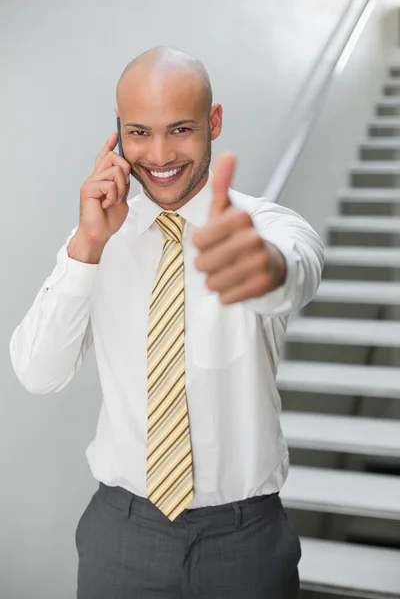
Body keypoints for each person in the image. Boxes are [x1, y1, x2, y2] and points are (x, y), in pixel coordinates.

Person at [10, 46, 324, 598]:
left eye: (180, 129)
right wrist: (86, 246)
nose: (159, 154)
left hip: (243, 540)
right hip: (122, 532)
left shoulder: (265, 227)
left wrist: (262, 269)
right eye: (139, 132)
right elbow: (37, 373)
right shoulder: (98, 238)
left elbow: (295, 270)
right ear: (117, 132)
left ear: (214, 122)